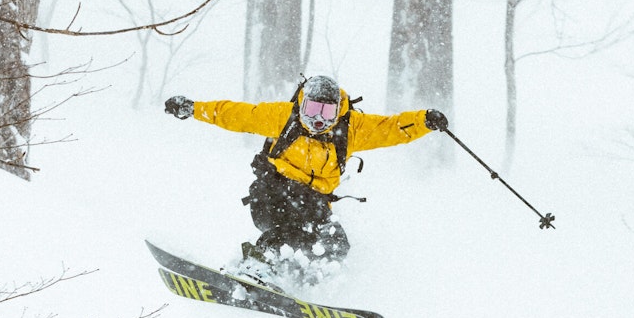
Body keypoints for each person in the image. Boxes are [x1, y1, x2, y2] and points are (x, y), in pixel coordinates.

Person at [164, 75, 447, 285]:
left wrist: (423, 121)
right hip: (272, 191)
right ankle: (254, 267)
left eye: (327, 113)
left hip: (314, 202)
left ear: (339, 110)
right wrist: (193, 108)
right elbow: (235, 114)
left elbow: (391, 128)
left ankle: (299, 280)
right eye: (312, 110)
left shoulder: (351, 130)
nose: (318, 120)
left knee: (335, 244)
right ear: (302, 105)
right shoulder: (282, 117)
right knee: (291, 226)